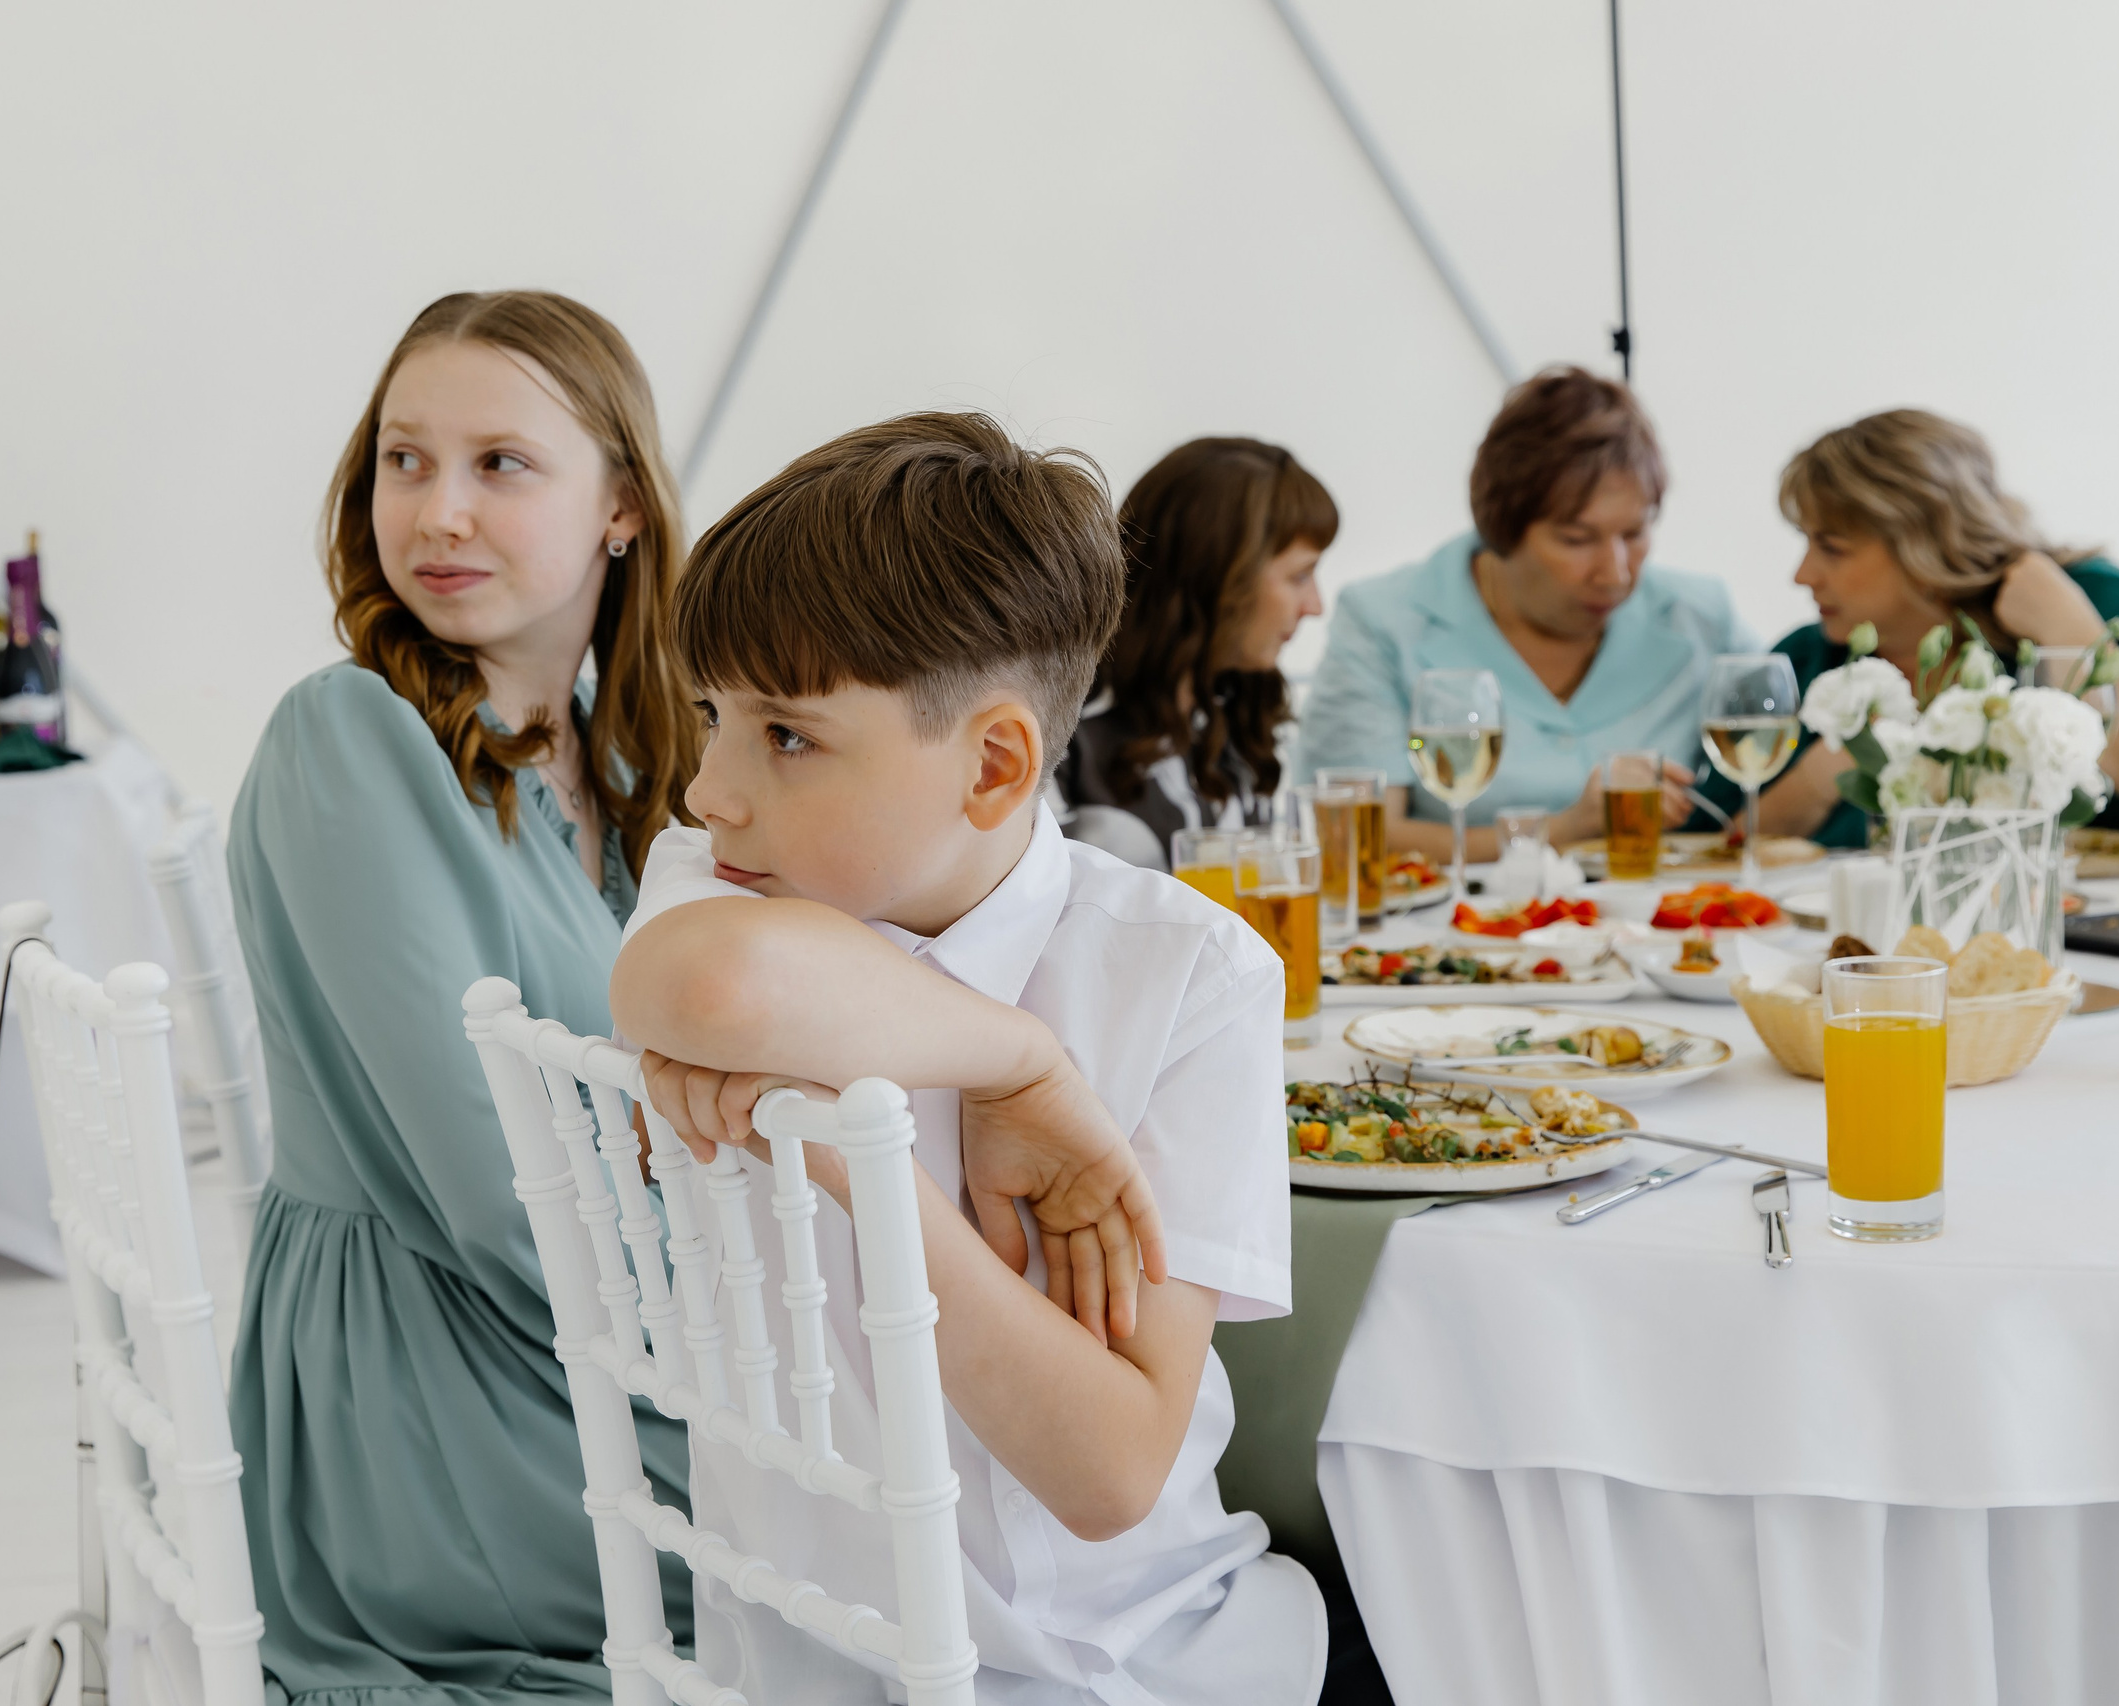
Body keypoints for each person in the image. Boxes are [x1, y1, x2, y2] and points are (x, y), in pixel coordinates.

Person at [611, 412, 1320, 1705]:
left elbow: (1112, 1475)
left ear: (993, 764)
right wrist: (1019, 1065)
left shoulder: (1189, 973)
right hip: (819, 1667)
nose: (710, 787)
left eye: (785, 734)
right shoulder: (718, 886)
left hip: (1138, 1654)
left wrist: (846, 1156)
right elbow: (716, 982)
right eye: (714, 714)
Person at [223, 291, 705, 1702]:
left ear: (621, 505)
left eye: (500, 463)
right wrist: (733, 1360)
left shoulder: (623, 764)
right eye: (406, 459)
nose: (437, 513)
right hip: (439, 1379)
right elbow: (497, 1192)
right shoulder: (349, 734)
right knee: (902, 1522)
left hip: (581, 1320)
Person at [1715, 408, 2119, 846]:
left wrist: (2067, 627)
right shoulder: (1808, 662)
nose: (1802, 575)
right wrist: (1821, 774)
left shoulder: (2092, 599)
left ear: (1924, 543)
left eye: (1831, 547)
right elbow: (1721, 848)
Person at [1299, 366, 1754, 859]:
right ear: (1501, 529)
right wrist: (1564, 829)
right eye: (1576, 539)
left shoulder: (1701, 617)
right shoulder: (1382, 622)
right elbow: (1353, 839)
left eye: (1634, 533)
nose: (1615, 572)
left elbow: (1772, 784)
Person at [1052, 437, 1337, 869]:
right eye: (1300, 576)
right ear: (1216, 577)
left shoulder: (1237, 705)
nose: (1316, 606)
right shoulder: (1062, 723)